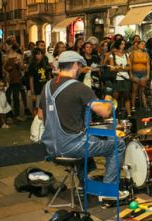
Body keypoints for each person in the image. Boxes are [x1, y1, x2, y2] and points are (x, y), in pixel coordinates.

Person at [40, 51, 126, 196]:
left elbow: (41, 115)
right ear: (75, 65)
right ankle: (109, 192)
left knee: (88, 140)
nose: (80, 70)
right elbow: (105, 112)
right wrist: (109, 94)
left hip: (51, 148)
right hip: (71, 147)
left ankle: (85, 185)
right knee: (118, 144)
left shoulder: (47, 86)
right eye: (80, 66)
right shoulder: (78, 87)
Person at [129, 40, 150, 111]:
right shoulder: (133, 53)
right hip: (135, 73)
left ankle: (145, 105)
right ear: (137, 45)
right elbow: (130, 64)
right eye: (141, 44)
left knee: (143, 90)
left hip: (143, 73)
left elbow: (148, 65)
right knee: (134, 90)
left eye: (144, 44)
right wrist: (131, 74)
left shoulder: (146, 54)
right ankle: (133, 106)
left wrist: (148, 75)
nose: (143, 45)